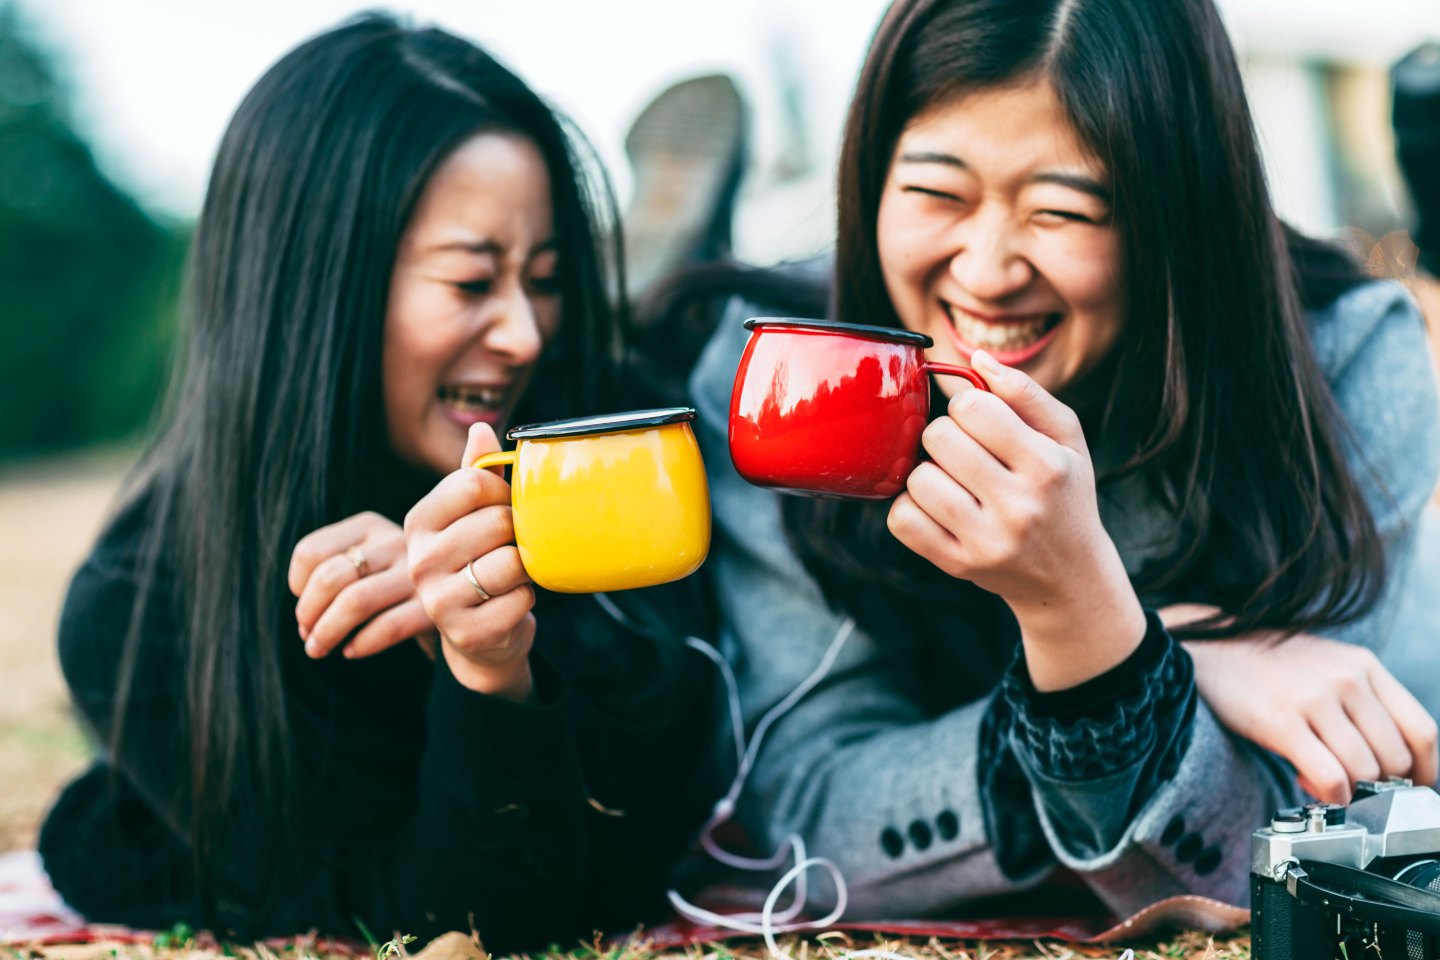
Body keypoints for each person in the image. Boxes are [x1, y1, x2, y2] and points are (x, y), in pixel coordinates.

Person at [685, 0, 1440, 919]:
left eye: (1062, 210)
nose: (990, 268)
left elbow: (1277, 853)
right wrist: (1167, 650)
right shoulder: (786, 372)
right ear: (870, 179)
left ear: (1177, 210)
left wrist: (1085, 614)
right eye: (936, 194)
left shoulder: (1341, 363)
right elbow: (804, 813)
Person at [38, 14, 710, 949]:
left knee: (679, 358)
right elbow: (447, 920)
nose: (525, 335)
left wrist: (521, 623)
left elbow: (671, 791)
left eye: (547, 280)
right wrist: (482, 668)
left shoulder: (591, 449)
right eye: (474, 283)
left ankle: (678, 287)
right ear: (318, 288)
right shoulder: (142, 615)